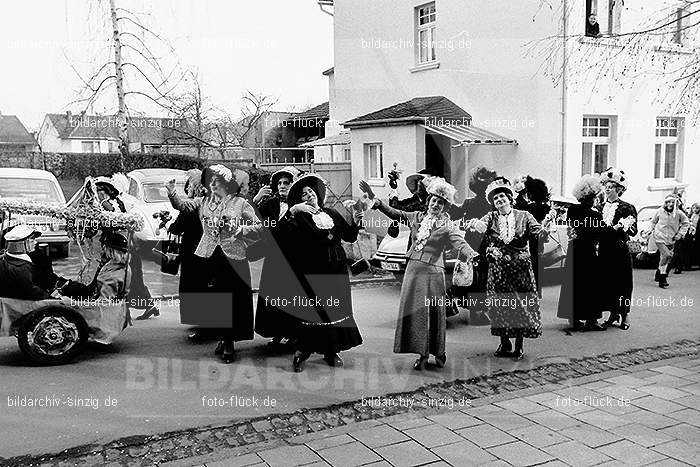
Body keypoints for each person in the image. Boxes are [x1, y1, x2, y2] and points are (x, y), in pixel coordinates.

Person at [361, 177, 477, 370]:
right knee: (417, 315)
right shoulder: (416, 217)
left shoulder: (447, 226)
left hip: (433, 273)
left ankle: (439, 351)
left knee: (434, 313)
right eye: (434, 200)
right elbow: (395, 213)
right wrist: (377, 201)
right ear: (428, 200)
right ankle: (422, 353)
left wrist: (473, 255)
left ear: (446, 206)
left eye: (441, 202)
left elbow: (459, 242)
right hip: (413, 271)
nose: (436, 204)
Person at [166, 165, 262, 363]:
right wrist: (172, 192)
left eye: (216, 181)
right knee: (218, 300)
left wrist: (240, 230)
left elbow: (259, 226)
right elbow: (183, 207)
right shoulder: (202, 202)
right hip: (210, 257)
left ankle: (229, 341)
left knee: (235, 299)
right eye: (209, 181)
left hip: (234, 257)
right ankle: (223, 338)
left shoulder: (240, 203)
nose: (211, 184)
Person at [274, 173, 364, 372]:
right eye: (304, 195)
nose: (309, 195)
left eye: (311, 191)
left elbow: (349, 236)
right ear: (299, 200)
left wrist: (357, 220)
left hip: (337, 271)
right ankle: (302, 352)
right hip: (312, 271)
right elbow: (279, 236)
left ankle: (331, 351)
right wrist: (292, 211)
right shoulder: (299, 217)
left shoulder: (331, 213)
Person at [466, 177, 549, 360]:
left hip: (521, 270)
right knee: (500, 306)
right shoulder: (491, 217)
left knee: (520, 306)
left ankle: (519, 345)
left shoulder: (524, 216)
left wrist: (544, 230)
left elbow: (537, 231)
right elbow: (479, 226)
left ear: (510, 198)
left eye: (502, 196)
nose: (500, 200)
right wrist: (474, 224)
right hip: (499, 271)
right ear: (493, 203)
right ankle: (504, 343)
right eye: (496, 199)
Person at [251, 166, 302, 347]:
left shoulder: (300, 206)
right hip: (274, 257)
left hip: (294, 258)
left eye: (286, 183)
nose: (282, 186)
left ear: (293, 185)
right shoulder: (271, 204)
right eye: (279, 183)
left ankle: (294, 335)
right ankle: (277, 333)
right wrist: (257, 199)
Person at [96, 178, 160, 320]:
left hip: (117, 247)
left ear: (105, 191)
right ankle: (144, 306)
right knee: (133, 276)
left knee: (121, 277)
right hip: (126, 245)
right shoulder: (119, 202)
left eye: (99, 190)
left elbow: (111, 222)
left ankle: (126, 311)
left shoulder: (106, 205)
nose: (98, 193)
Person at [448, 166, 498, 324]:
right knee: (482, 279)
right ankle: (478, 313)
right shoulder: (493, 203)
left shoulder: (469, 202)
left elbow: (455, 214)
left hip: (471, 245)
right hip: (485, 245)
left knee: (472, 278)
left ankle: (476, 311)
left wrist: (448, 200)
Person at [557, 175, 605, 331]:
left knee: (575, 284)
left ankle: (575, 318)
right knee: (591, 285)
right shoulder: (596, 215)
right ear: (592, 198)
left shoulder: (573, 210)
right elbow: (598, 234)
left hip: (576, 250)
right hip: (589, 252)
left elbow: (573, 229)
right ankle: (592, 319)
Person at [167, 169, 209, 340]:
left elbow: (177, 227)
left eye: (191, 186)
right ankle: (209, 324)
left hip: (193, 254)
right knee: (205, 288)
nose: (189, 190)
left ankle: (203, 326)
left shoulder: (192, 206)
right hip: (207, 253)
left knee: (195, 289)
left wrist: (169, 224)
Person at [598, 168, 637, 330]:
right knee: (608, 283)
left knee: (623, 283)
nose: (607, 189)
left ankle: (625, 314)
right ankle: (613, 314)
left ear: (619, 189)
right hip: (604, 251)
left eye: (611, 187)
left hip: (619, 251)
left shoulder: (627, 207)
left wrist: (623, 226)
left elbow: (634, 230)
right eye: (606, 186)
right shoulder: (599, 207)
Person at [61, 231, 132, 300]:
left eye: (105, 248)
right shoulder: (124, 267)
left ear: (111, 251)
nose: (103, 250)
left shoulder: (111, 277)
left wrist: (70, 302)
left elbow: (103, 305)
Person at [0, 224, 61, 300]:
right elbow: (33, 292)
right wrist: (55, 299)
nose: (35, 242)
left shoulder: (5, 260)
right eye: (32, 239)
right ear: (21, 244)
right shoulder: (20, 268)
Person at [518, 176, 551, 297]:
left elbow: (519, 208)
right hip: (540, 236)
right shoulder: (544, 207)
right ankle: (537, 290)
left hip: (530, 236)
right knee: (538, 261)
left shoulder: (530, 207)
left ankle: (531, 289)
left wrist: (519, 193)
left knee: (531, 262)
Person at [648, 194, 689, 288]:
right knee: (667, 255)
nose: (670, 204)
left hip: (671, 239)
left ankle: (659, 272)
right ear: (665, 203)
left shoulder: (679, 213)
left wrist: (680, 234)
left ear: (675, 204)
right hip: (659, 237)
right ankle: (663, 278)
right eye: (668, 202)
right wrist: (650, 230)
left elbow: (686, 223)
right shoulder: (660, 211)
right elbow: (653, 221)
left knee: (665, 258)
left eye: (672, 202)